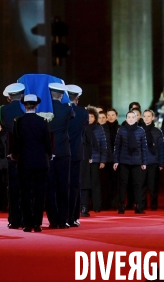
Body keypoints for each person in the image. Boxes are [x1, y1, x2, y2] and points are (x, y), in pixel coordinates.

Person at [11, 94, 52, 232]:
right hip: (41, 162)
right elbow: (47, 142)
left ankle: (27, 224)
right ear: (37, 106)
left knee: (25, 193)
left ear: (24, 105)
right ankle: (37, 224)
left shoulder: (18, 122)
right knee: (40, 193)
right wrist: (50, 155)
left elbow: (16, 143)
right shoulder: (43, 121)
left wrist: (15, 155)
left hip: (24, 162)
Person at [46, 81, 73, 229]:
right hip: (63, 152)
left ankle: (53, 220)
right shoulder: (67, 109)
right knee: (64, 187)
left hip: (48, 152)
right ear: (62, 95)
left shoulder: (44, 110)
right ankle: (63, 220)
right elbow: (72, 115)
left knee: (50, 188)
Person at [0, 81, 25, 229]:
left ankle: (14, 219)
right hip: (25, 151)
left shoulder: (3, 110)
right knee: (26, 186)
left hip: (10, 151)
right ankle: (25, 218)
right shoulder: (25, 109)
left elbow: (3, 126)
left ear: (9, 97)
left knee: (13, 187)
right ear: (21, 96)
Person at [113, 110, 148, 214]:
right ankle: (122, 205)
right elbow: (117, 146)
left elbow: (144, 148)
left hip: (137, 161)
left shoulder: (141, 130)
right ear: (126, 118)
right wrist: (116, 160)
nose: (131, 119)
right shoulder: (121, 130)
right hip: (124, 161)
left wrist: (144, 162)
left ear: (136, 118)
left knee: (137, 184)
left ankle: (138, 206)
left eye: (133, 117)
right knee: (123, 184)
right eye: (129, 117)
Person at [66, 84, 88, 227]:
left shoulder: (60, 111)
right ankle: (74, 217)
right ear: (77, 99)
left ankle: (62, 217)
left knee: (61, 185)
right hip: (76, 152)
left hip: (61, 152)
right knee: (75, 186)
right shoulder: (83, 113)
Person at [81, 106, 107, 215]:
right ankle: (84, 206)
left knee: (95, 184)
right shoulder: (82, 127)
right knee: (84, 184)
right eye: (88, 116)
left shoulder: (99, 128)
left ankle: (97, 206)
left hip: (96, 159)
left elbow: (103, 145)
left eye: (92, 116)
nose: (90, 118)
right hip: (84, 160)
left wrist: (102, 160)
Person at [140, 109, 164, 210]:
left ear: (153, 118)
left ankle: (154, 205)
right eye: (144, 116)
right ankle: (142, 204)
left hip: (153, 162)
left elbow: (161, 148)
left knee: (153, 185)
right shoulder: (138, 130)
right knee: (141, 185)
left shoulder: (157, 132)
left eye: (148, 116)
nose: (146, 118)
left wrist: (161, 163)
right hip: (141, 162)